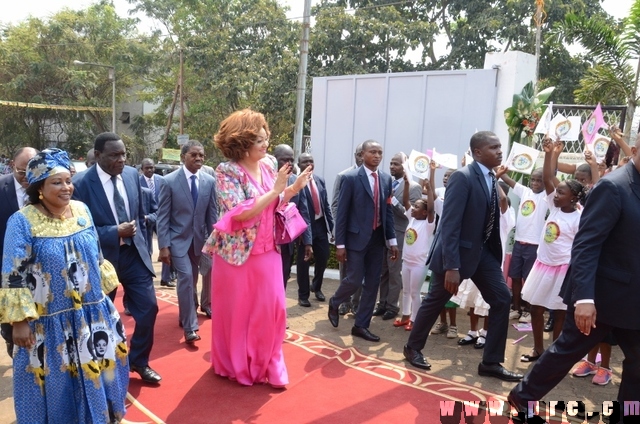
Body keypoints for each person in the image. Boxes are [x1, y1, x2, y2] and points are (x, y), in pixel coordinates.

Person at [508, 134, 640, 422]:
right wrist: (584, 298)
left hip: (633, 299)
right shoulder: (613, 186)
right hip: (600, 297)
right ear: (636, 150)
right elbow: (586, 244)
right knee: (565, 352)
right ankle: (521, 399)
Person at [0, 148, 128, 423]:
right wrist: (18, 322)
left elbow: (97, 256)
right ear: (40, 189)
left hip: (91, 318)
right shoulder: (22, 221)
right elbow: (13, 273)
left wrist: (105, 303)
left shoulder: (82, 210)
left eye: (68, 180)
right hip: (48, 326)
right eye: (56, 182)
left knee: (102, 375)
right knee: (56, 389)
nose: (67, 187)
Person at [203, 108, 311, 387]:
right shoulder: (227, 170)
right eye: (259, 140)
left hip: (268, 251)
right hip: (237, 255)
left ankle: (269, 364)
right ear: (242, 142)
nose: (265, 145)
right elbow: (238, 212)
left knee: (273, 309)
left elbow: (273, 205)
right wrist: (276, 190)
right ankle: (236, 364)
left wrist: (292, 189)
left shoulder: (269, 164)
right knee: (238, 313)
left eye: (266, 139)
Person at [404, 131, 523, 382]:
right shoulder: (463, 177)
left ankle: (491, 362)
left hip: (483, 254)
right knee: (436, 300)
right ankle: (413, 347)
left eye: (500, 147)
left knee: (501, 300)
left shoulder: (491, 178)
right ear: (477, 152)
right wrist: (452, 266)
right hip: (456, 257)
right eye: (494, 147)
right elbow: (450, 224)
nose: (500, 151)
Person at [72, 132, 161, 385]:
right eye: (114, 155)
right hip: (102, 261)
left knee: (149, 308)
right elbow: (80, 229)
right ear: (98, 155)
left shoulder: (133, 175)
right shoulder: (80, 184)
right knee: (101, 317)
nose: (121, 160)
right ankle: (103, 364)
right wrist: (114, 232)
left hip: (134, 255)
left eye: (123, 154)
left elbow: (141, 215)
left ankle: (139, 361)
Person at [515, 139, 585, 363]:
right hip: (543, 265)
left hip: (563, 269)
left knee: (560, 315)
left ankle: (555, 356)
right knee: (536, 308)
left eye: (561, 193)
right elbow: (547, 178)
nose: (555, 195)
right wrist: (548, 154)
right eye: (556, 192)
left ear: (573, 198)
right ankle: (538, 349)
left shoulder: (579, 217)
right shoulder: (554, 207)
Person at [328, 140, 398, 342]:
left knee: (373, 283)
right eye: (373, 152)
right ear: (362, 155)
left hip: (377, 240)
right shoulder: (350, 178)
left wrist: (392, 240)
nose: (377, 156)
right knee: (354, 279)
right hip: (355, 239)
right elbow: (341, 213)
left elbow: (388, 213)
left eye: (380, 152)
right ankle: (336, 301)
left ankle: (361, 325)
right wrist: (340, 244)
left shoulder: (385, 179)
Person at [157, 140, 217, 344]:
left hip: (200, 242)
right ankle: (191, 327)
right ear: (184, 157)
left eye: (201, 155)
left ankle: (185, 316)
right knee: (185, 280)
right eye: (194, 155)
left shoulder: (209, 181)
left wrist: (214, 241)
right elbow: (163, 217)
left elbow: (212, 215)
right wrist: (163, 246)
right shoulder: (169, 181)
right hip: (178, 241)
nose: (199, 158)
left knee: (193, 280)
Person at [373, 152, 423, 321]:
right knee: (383, 271)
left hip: (400, 234)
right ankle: (382, 303)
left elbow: (412, 215)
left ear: (405, 167)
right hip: (384, 234)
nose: (392, 167)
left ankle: (392, 306)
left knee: (395, 272)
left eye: (396, 164)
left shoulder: (414, 187)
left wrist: (393, 202)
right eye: (391, 163)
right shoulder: (387, 182)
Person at [0, 147, 38, 357]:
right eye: (22, 172)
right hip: (6, 267)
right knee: (9, 321)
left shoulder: (45, 187)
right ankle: (10, 342)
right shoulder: (1, 187)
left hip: (38, 270)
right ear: (13, 165)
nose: (27, 177)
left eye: (31, 171)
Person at [498, 167, 548, 324]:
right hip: (519, 243)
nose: (535, 183)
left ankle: (528, 310)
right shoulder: (524, 191)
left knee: (529, 278)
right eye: (533, 179)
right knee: (515, 276)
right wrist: (496, 168)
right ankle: (516, 308)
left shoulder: (547, 197)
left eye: (539, 180)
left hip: (534, 245)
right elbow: (506, 179)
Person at [395, 171, 435, 331]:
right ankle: (405, 316)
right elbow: (405, 201)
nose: (413, 208)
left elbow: (432, 208)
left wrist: (429, 188)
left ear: (424, 213)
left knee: (414, 292)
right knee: (405, 290)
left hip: (419, 264)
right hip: (407, 261)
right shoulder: (411, 218)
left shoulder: (428, 224)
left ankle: (414, 319)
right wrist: (406, 184)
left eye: (416, 207)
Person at [273, 144, 312, 293]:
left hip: (286, 242)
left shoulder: (297, 181)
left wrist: (307, 241)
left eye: (291, 160)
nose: (288, 164)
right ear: (274, 159)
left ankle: (278, 311)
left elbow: (304, 212)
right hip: (267, 241)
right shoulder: (265, 179)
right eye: (284, 160)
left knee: (283, 277)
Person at [296, 153, 333, 304]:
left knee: (323, 258)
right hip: (304, 228)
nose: (308, 164)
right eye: (305, 161)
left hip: (321, 226)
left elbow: (326, 205)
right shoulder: (296, 183)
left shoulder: (320, 180)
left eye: (311, 161)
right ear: (299, 164)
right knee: (303, 262)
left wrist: (332, 227)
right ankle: (303, 296)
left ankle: (316, 287)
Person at [332, 143, 364, 316]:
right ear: (355, 155)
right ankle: (344, 301)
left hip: (364, 235)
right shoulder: (343, 176)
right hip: (347, 233)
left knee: (359, 271)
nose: (361, 157)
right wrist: (340, 232)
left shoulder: (374, 178)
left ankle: (357, 303)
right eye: (358, 154)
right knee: (345, 270)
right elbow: (335, 205)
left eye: (363, 154)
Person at [139, 158, 174, 288]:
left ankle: (166, 278)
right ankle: (147, 277)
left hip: (162, 219)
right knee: (147, 250)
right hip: (146, 220)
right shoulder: (137, 182)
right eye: (147, 168)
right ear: (142, 169)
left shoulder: (161, 180)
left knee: (166, 247)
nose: (150, 170)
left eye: (152, 167)